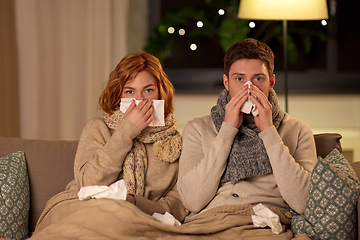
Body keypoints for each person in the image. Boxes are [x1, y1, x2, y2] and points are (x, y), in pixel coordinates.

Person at [30, 52, 187, 238]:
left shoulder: (173, 143)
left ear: (161, 92)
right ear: (118, 95)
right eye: (130, 91)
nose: (140, 100)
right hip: (83, 208)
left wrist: (135, 203)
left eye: (148, 90)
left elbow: (178, 205)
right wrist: (126, 131)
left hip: (138, 219)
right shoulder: (98, 128)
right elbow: (88, 183)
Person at [176, 38, 317, 238]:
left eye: (258, 79)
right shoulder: (198, 128)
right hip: (208, 222)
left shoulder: (297, 130)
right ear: (226, 82)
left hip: (262, 223)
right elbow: (192, 200)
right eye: (239, 79)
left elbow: (303, 202)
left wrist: (269, 131)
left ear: (272, 82)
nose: (249, 88)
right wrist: (227, 130)